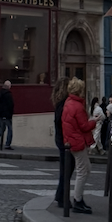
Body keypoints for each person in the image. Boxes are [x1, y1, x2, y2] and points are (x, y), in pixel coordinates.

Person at [61, 78, 96, 214]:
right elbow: (84, 126)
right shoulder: (77, 106)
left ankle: (78, 199)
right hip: (77, 142)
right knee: (83, 171)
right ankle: (78, 200)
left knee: (86, 169)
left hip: (71, 140)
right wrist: (95, 121)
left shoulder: (68, 103)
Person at [51, 77, 70, 208]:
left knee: (65, 169)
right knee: (66, 169)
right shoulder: (64, 104)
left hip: (60, 139)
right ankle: (62, 197)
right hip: (64, 140)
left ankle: (60, 195)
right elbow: (60, 122)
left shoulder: (59, 102)